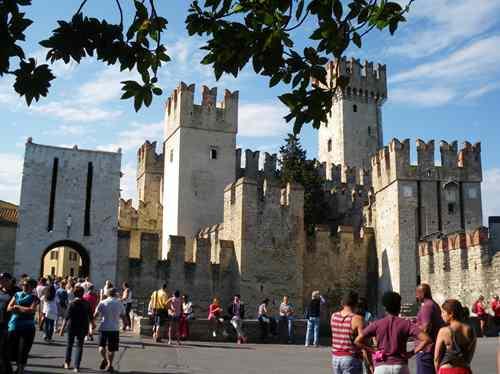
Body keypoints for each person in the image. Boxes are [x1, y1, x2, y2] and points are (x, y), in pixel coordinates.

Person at [356, 291, 432, 374]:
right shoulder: (406, 324)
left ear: (385, 308)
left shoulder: (377, 324)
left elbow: (357, 341)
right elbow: (426, 339)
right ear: (399, 307)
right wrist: (411, 353)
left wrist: (373, 350)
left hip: (382, 367)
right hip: (400, 366)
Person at [434, 299, 477, 374]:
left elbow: (436, 358)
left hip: (447, 370)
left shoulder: (444, 331)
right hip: (464, 369)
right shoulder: (470, 330)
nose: (442, 315)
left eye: (443, 312)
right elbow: (469, 356)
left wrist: (438, 371)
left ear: (451, 314)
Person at [6, 277, 39, 374]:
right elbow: (9, 308)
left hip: (27, 327)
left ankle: (20, 369)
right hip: (14, 325)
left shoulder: (34, 297)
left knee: (23, 350)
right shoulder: (17, 294)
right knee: (11, 349)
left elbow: (32, 310)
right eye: (23, 285)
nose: (24, 287)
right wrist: (23, 309)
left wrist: (17, 307)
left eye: (27, 285)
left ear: (32, 287)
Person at [59, 285, 93, 373]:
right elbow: (91, 317)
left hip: (71, 326)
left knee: (69, 345)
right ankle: (76, 366)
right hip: (82, 327)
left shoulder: (71, 304)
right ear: (82, 294)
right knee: (79, 346)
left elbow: (66, 318)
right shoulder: (87, 304)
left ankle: (67, 363)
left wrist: (62, 329)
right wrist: (91, 327)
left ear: (74, 294)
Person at [330, 291, 365, 374]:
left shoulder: (334, 316)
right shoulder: (357, 318)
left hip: (335, 357)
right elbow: (362, 340)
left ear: (342, 302)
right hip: (350, 357)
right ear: (356, 303)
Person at [416, 284, 445, 374]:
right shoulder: (433, 304)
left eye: (417, 293)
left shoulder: (426, 307)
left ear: (422, 294)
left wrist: (413, 328)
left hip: (425, 349)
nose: (416, 296)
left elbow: (426, 327)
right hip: (432, 348)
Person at [94, 288, 125, 373]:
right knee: (112, 348)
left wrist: (92, 323)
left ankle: (104, 359)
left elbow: (96, 314)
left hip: (103, 327)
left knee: (101, 346)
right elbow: (123, 315)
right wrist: (125, 324)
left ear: (107, 294)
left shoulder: (102, 302)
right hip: (114, 328)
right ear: (115, 294)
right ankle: (110, 365)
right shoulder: (119, 303)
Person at [0, 273, 15, 374]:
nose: (1, 281)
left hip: (8, 324)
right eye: (0, 279)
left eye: (4, 279)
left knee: (3, 350)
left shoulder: (15, 292)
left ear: (9, 280)